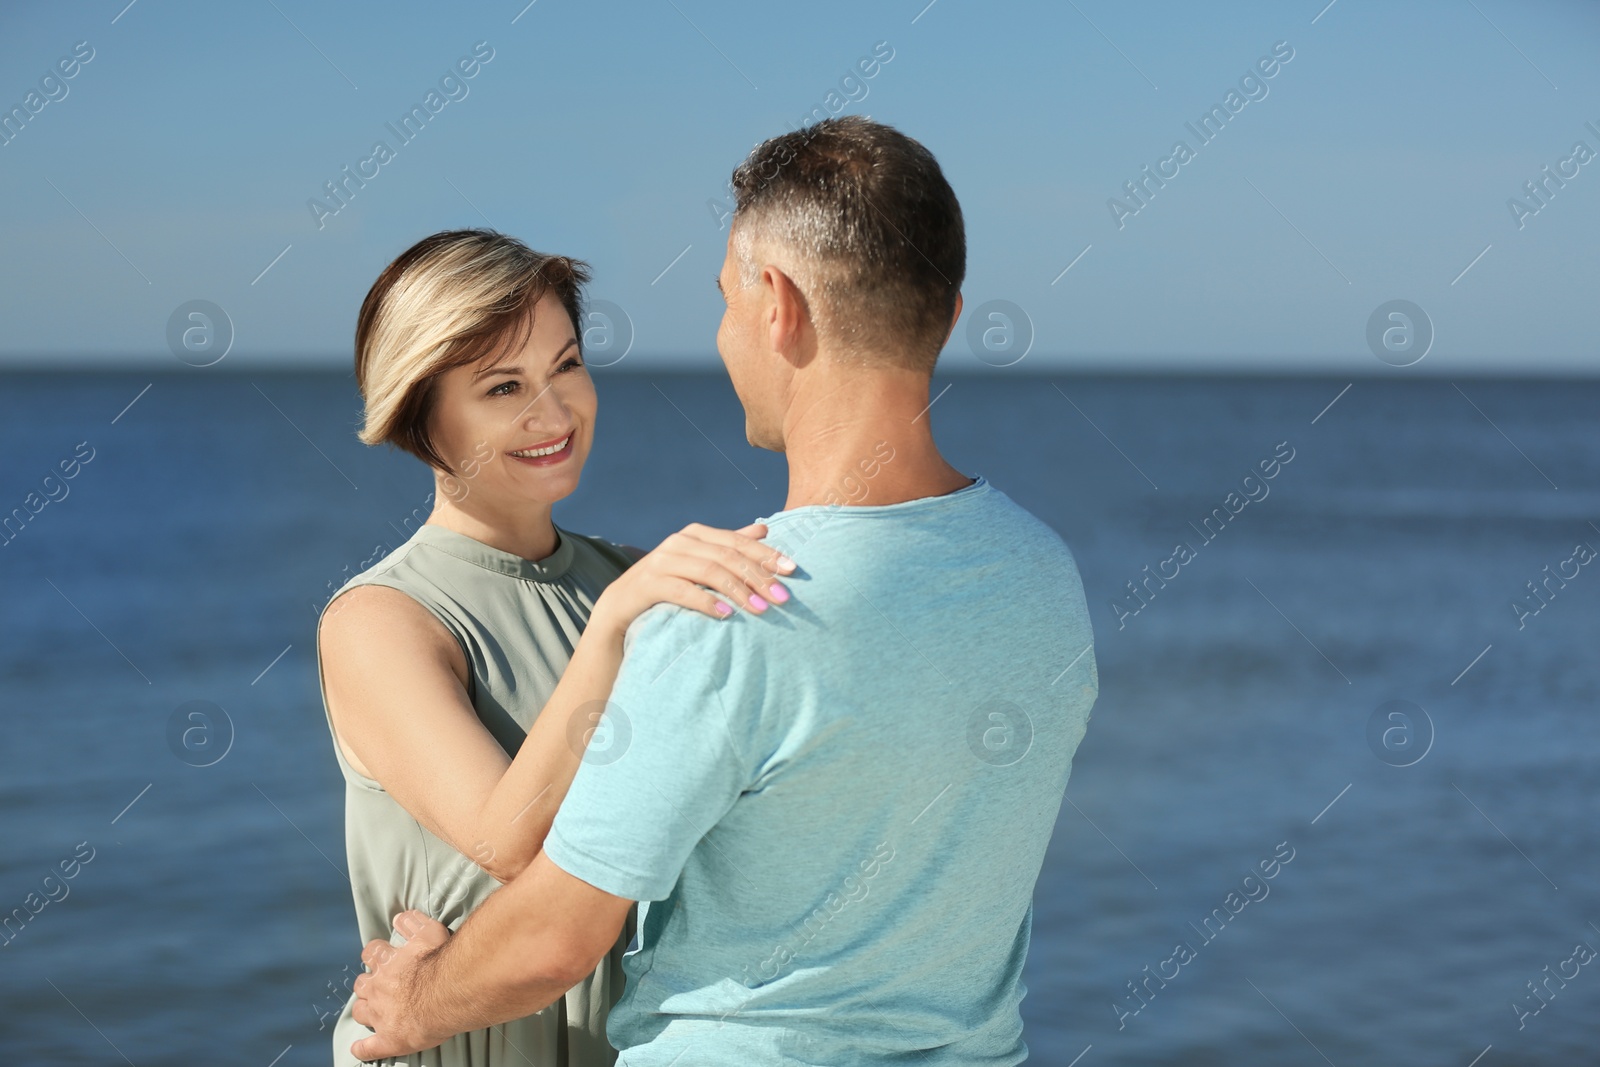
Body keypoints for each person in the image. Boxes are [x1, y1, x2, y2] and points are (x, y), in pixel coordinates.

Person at [349, 116, 1099, 1065]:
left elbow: (555, 936)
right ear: (948, 314)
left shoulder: (732, 610)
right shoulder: (1044, 576)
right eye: (502, 386)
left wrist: (417, 1003)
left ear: (778, 306)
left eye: (724, 300)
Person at [314, 229, 795, 1066]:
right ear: (418, 412)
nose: (554, 411)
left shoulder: (630, 578)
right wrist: (612, 625)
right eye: (503, 386)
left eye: (566, 365)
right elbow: (507, 841)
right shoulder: (382, 618)